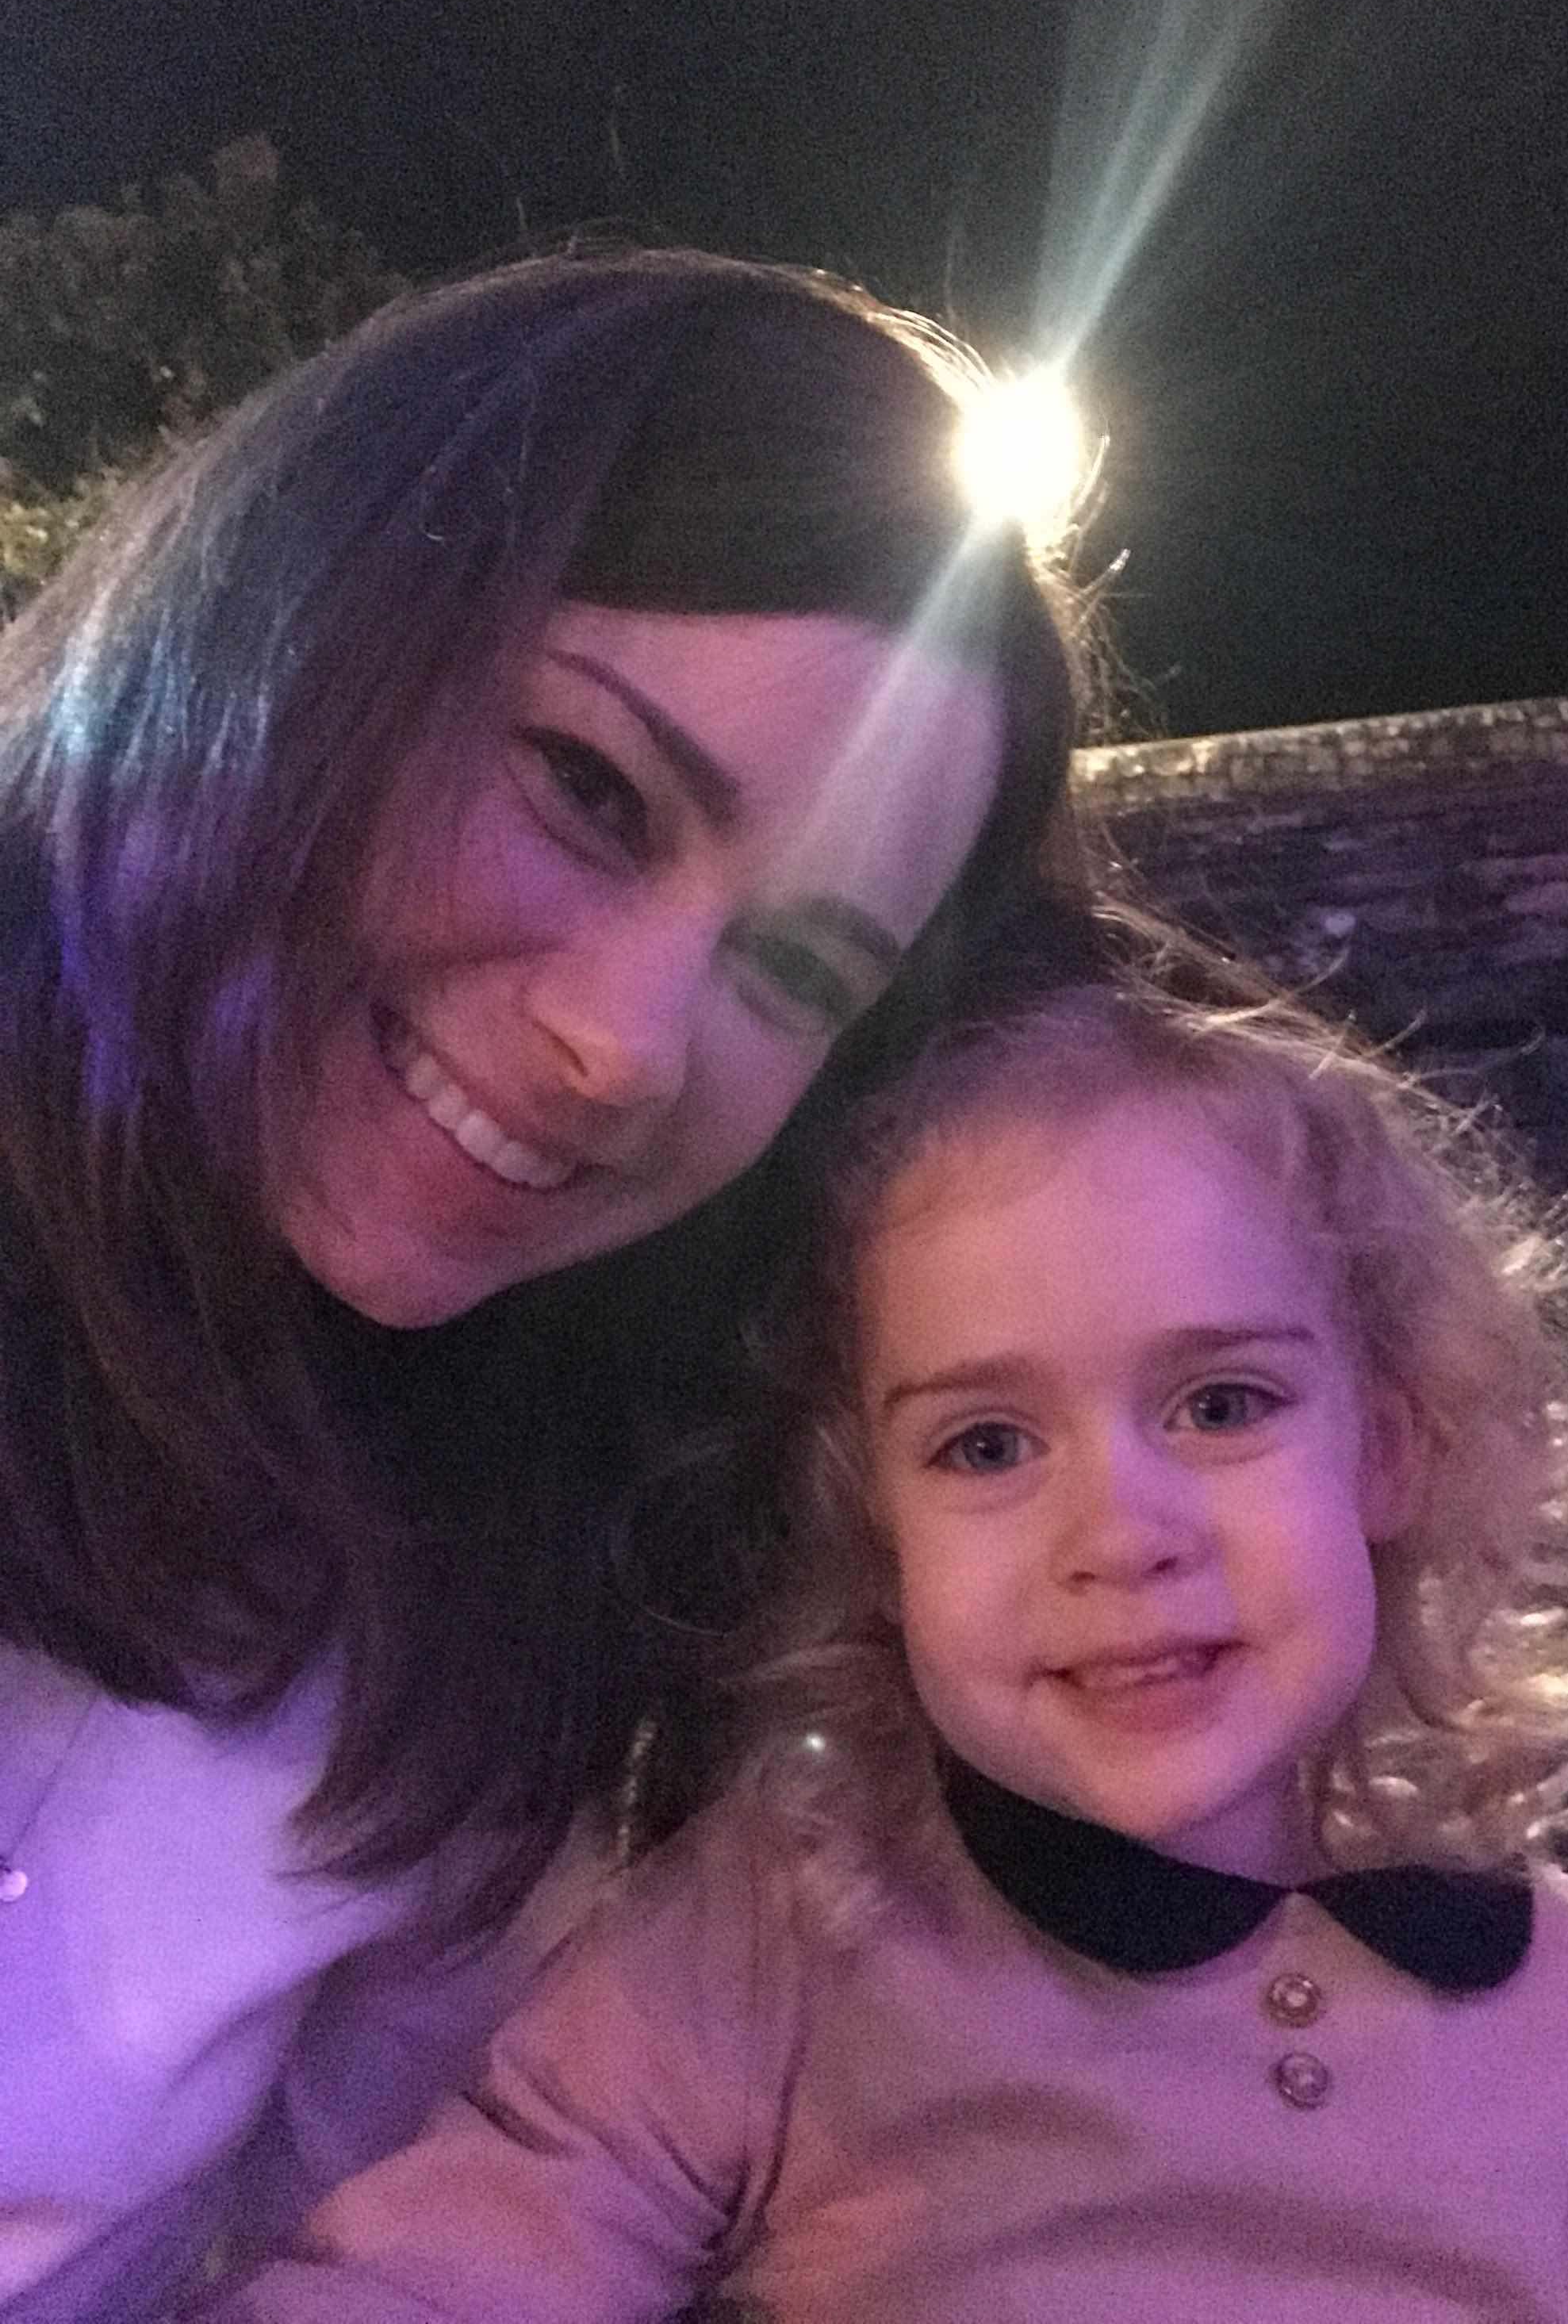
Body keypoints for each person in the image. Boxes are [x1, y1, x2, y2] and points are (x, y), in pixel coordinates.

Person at [0, 247, 1092, 2322]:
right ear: (290, 623)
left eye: (797, 973)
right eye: (589, 789)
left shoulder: (498, 1646)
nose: (629, 1045)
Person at [197, 925, 1568, 2321]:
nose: (1120, 1534)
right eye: (986, 1445)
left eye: (1221, 1403)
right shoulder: (791, 1927)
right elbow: (446, 2272)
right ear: (877, 1530)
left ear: (1392, 1444)